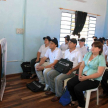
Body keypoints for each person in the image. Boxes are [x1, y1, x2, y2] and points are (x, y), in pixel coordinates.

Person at [67, 41, 106, 108]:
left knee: (77, 88)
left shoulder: (101, 58)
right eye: (92, 46)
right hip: (83, 75)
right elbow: (82, 66)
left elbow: (99, 73)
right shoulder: (88, 54)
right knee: (70, 83)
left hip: (93, 79)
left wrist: (86, 78)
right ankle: (74, 99)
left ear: (99, 49)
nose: (92, 48)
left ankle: (82, 104)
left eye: (95, 47)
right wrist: (79, 75)